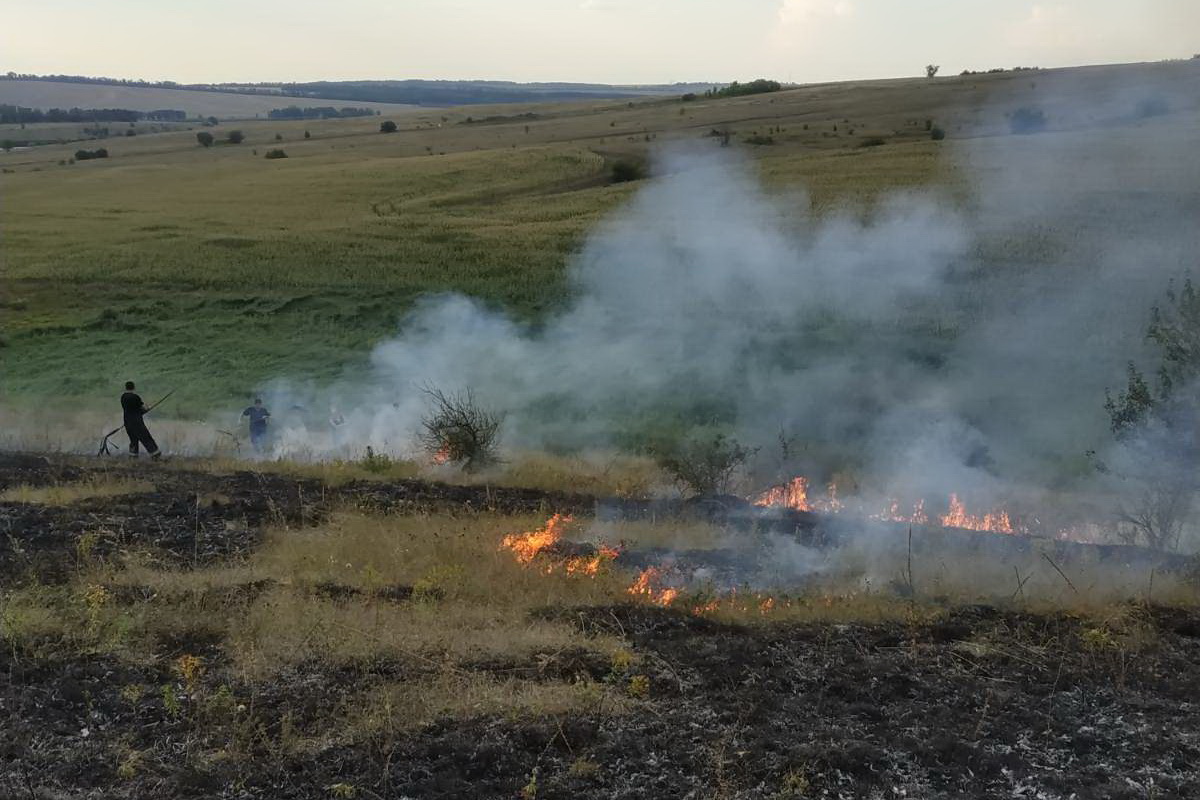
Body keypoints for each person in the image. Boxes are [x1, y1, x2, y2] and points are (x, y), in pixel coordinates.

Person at [121, 381, 161, 460]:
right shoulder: (135, 397)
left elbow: (130, 409)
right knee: (145, 437)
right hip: (137, 422)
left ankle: (133, 457)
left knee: (133, 440)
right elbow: (142, 408)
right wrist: (148, 408)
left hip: (127, 421)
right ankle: (155, 454)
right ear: (134, 387)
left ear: (126, 387)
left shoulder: (123, 397)